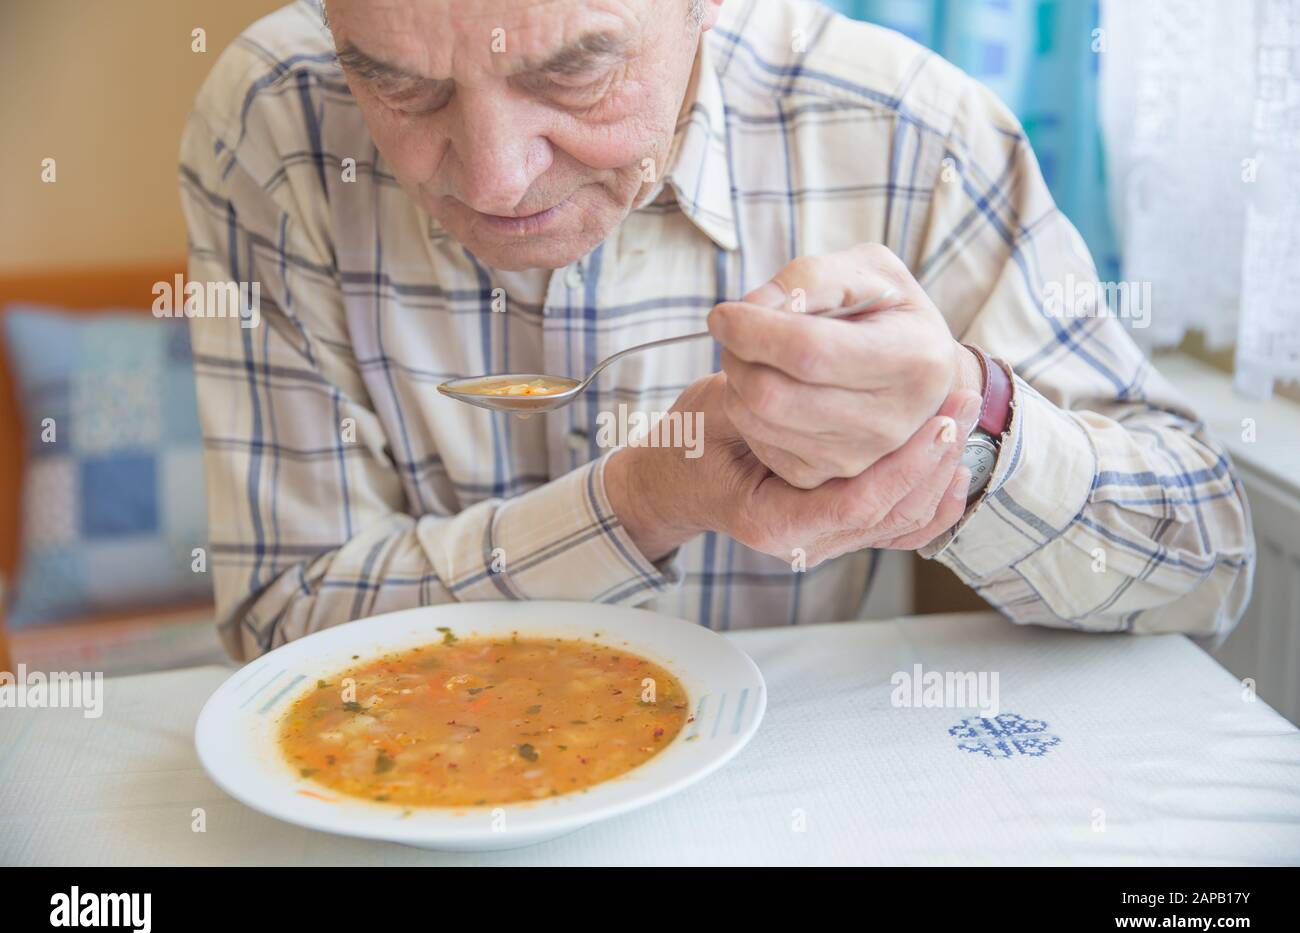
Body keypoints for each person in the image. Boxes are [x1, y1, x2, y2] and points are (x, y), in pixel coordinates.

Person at [179, 0, 1253, 661]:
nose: (498, 177)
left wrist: (970, 428)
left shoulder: (907, 128)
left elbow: (1204, 568)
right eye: (400, 87)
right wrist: (642, 498)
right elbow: (283, 618)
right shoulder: (275, 122)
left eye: (575, 71)